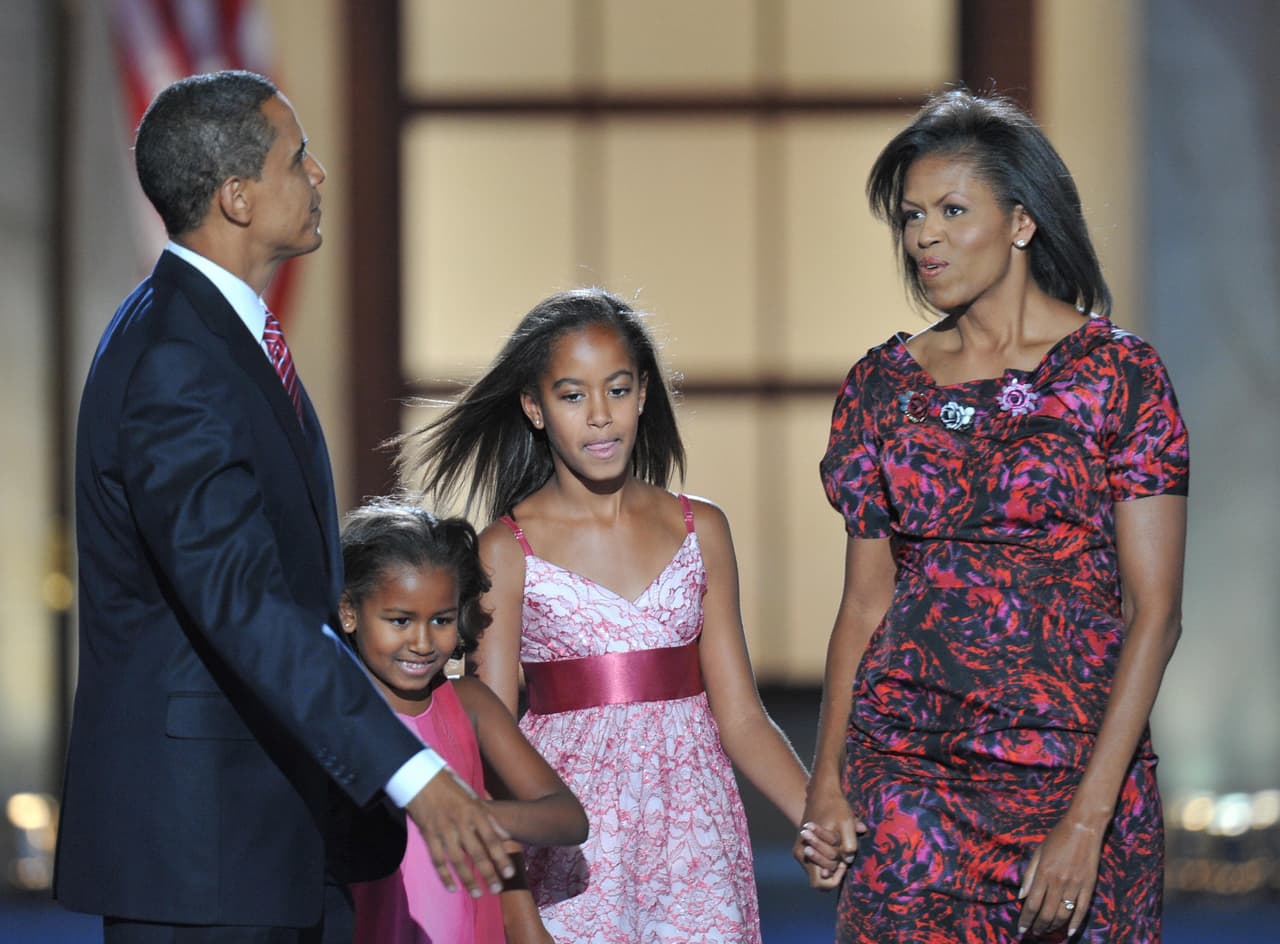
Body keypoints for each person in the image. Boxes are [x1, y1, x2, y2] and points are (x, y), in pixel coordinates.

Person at [54, 70, 513, 943]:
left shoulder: (211, 334)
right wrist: (412, 774)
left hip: (272, 833)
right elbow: (244, 604)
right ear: (236, 196)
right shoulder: (175, 361)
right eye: (297, 158)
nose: (319, 176)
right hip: (205, 851)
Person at [796, 88, 1189, 942]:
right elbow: (865, 602)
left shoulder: (1120, 378)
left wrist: (1088, 821)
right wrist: (826, 778)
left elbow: (1153, 613)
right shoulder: (882, 387)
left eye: (950, 209)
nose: (923, 236)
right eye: (910, 216)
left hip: (1077, 771)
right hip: (907, 774)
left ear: (1021, 222)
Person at [396, 287, 818, 942]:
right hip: (573, 851)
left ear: (644, 393)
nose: (599, 415)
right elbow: (491, 743)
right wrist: (514, 907)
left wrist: (816, 817)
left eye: (617, 389)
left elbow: (740, 716)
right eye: (572, 396)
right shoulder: (506, 551)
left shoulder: (701, 529)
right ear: (534, 408)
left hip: (695, 836)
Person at [338, 498, 588, 944]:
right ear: (349, 612)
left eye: (441, 619)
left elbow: (567, 818)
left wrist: (466, 815)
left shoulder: (469, 703)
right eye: (399, 620)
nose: (421, 641)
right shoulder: (336, 710)